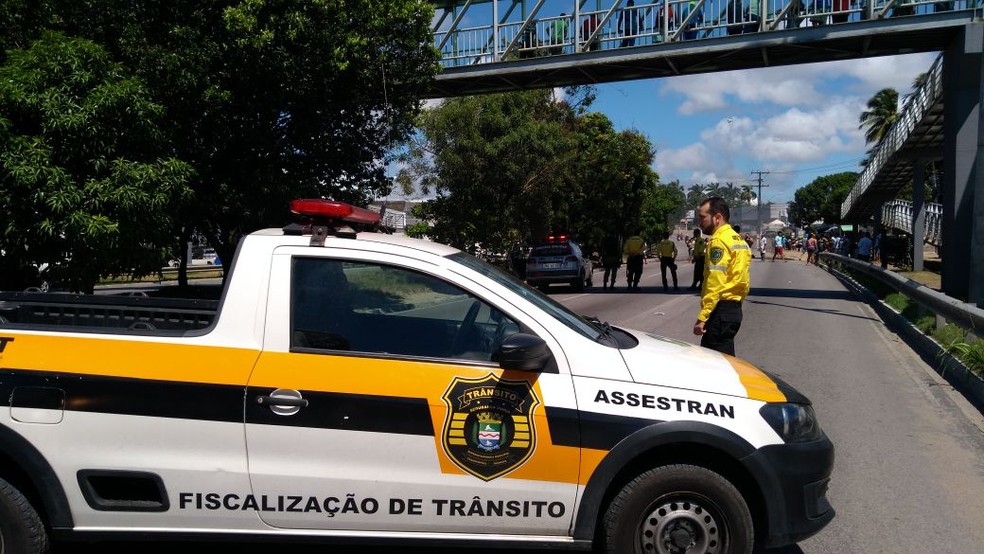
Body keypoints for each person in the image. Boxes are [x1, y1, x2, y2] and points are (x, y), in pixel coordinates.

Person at [692, 197, 750, 356]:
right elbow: (743, 279)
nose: (699, 222)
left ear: (717, 218)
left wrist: (703, 316)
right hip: (734, 309)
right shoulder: (738, 240)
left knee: (714, 363)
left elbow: (715, 282)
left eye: (703, 217)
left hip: (720, 311)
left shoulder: (718, 241)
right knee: (725, 359)